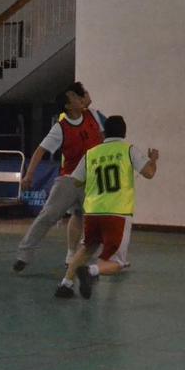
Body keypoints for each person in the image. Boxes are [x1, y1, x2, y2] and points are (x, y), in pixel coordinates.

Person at [55, 115, 158, 299]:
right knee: (118, 263)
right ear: (124, 132)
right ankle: (91, 271)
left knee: (87, 247)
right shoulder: (128, 150)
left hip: (93, 211)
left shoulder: (91, 153)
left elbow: (76, 181)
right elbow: (149, 173)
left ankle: (65, 284)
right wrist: (153, 160)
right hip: (117, 212)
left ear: (104, 133)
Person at [13, 84, 104, 272]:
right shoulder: (60, 128)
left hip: (93, 180)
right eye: (75, 97)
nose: (80, 98)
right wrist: (29, 175)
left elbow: (104, 133)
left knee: (92, 219)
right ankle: (24, 254)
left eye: (80, 96)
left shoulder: (93, 115)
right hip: (69, 180)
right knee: (48, 215)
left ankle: (84, 258)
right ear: (68, 106)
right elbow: (40, 151)